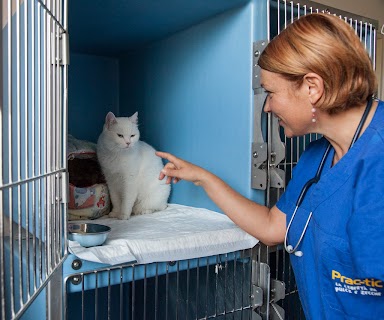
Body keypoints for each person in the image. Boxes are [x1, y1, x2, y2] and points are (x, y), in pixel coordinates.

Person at [156, 13, 383, 319]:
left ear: (312, 87)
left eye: (271, 92)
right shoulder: (316, 157)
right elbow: (273, 228)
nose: (266, 106)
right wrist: (202, 178)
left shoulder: (377, 156)